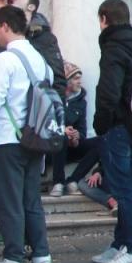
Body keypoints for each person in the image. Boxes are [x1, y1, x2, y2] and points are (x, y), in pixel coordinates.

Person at [0, 5, 52, 263]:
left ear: (5, 25)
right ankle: (41, 256)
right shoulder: (40, 59)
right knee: (31, 200)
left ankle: (13, 260)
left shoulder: (5, 60)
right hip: (36, 138)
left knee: (8, 202)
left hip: (7, 137)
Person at [92, 0, 132, 263]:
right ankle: (120, 244)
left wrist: (101, 124)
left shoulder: (113, 47)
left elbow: (109, 92)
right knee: (123, 185)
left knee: (122, 189)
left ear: (104, 18)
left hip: (117, 124)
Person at [49, 61, 87, 196]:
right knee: (62, 136)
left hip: (71, 147)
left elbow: (83, 131)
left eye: (80, 78)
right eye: (76, 78)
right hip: (51, 148)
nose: (80, 82)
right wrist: (62, 130)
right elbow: (45, 124)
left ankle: (73, 181)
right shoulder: (52, 99)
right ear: (67, 81)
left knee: (101, 142)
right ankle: (58, 183)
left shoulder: (81, 103)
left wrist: (77, 136)